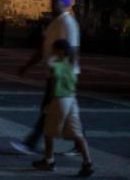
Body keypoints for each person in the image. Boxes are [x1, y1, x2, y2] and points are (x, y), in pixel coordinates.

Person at [11, 0, 81, 156]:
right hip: (54, 73)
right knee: (64, 111)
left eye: (56, 1)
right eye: (52, 0)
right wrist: (27, 65)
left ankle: (32, 144)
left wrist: (67, 74)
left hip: (62, 75)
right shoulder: (54, 23)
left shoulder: (67, 23)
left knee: (49, 110)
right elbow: (44, 48)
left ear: (64, 4)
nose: (52, 3)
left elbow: (74, 50)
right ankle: (79, 144)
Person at [31, 39, 94, 177]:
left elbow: (53, 84)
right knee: (78, 133)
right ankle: (87, 162)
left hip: (59, 99)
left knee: (48, 132)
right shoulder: (72, 64)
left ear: (60, 51)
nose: (52, 52)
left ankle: (49, 161)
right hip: (72, 100)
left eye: (54, 49)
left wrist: (48, 102)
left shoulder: (57, 65)